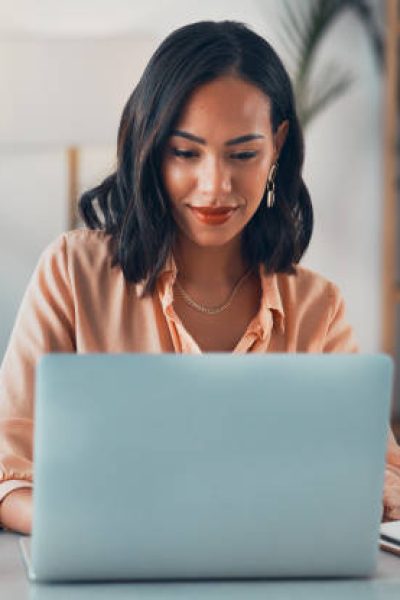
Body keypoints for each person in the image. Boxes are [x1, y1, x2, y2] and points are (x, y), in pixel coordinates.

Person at [1, 20, 399, 535]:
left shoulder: (317, 307)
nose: (215, 186)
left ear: (277, 147)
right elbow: (8, 472)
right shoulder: (72, 274)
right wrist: (94, 528)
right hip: (110, 569)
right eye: (185, 153)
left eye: (243, 154)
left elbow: (382, 472)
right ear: (150, 146)